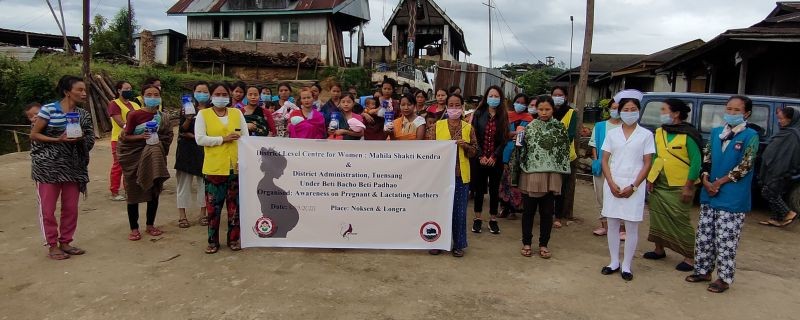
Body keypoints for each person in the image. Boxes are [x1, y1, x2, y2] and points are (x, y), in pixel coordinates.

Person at [686, 95, 759, 293]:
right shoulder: (717, 132)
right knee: (704, 236)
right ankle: (702, 270)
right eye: (729, 109)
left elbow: (745, 165)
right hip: (710, 193)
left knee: (726, 240)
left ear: (747, 113)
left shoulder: (750, 136)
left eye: (737, 110)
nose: (731, 113)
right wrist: (706, 178)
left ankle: (724, 278)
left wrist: (719, 182)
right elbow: (707, 157)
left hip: (732, 195)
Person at [30, 75, 94, 260]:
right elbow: (34, 135)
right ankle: (52, 245)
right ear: (67, 92)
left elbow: (90, 139)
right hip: (47, 167)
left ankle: (65, 242)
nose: (83, 93)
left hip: (73, 167)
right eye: (79, 90)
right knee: (48, 209)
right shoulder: (49, 110)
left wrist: (81, 138)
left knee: (70, 208)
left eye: (84, 90)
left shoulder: (83, 115)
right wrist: (58, 139)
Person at [599, 90, 654, 281]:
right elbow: (604, 159)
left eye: (633, 109)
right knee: (612, 224)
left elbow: (647, 162)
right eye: (626, 109)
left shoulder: (646, 135)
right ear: (620, 111)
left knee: (631, 226)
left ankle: (627, 265)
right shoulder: (612, 134)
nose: (629, 112)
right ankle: (614, 261)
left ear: (639, 111)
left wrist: (634, 186)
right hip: (613, 183)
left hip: (634, 185)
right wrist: (611, 182)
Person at [644, 98, 703, 272]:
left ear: (676, 113)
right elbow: (656, 157)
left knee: (680, 220)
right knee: (657, 216)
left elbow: (696, 162)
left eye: (664, 110)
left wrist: (689, 186)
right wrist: (651, 178)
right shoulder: (660, 132)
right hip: (660, 183)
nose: (661, 113)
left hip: (680, 184)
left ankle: (690, 257)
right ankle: (659, 249)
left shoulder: (689, 134)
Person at [509, 95, 570, 258]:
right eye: (541, 109)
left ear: (553, 109)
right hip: (531, 175)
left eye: (547, 109)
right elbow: (520, 150)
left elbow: (563, 151)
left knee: (547, 212)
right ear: (536, 109)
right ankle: (526, 243)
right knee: (528, 211)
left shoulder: (559, 128)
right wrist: (518, 139)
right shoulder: (528, 127)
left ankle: (544, 244)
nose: (543, 112)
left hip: (551, 176)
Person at [195, 83, 250, 254]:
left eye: (224, 93)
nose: (221, 97)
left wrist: (243, 157)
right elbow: (200, 139)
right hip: (214, 169)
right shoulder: (203, 115)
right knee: (214, 208)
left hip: (235, 167)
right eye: (217, 94)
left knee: (235, 208)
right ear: (211, 96)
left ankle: (233, 239)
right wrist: (223, 139)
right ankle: (213, 242)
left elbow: (246, 137)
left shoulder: (237, 113)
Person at [118, 85, 173, 241]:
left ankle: (150, 225)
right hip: (134, 157)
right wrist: (142, 137)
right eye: (149, 94)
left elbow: (167, 137)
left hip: (154, 157)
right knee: (133, 192)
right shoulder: (134, 115)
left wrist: (158, 146)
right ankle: (134, 228)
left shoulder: (163, 117)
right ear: (142, 97)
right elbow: (125, 137)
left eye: (156, 94)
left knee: (153, 191)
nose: (153, 97)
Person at [432, 94, 479, 257]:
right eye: (451, 105)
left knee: (459, 212)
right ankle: (436, 241)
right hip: (440, 176)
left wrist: (465, 146)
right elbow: (428, 148)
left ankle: (458, 244)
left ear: (462, 107)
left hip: (460, 176)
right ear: (446, 107)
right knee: (438, 210)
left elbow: (474, 152)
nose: (454, 108)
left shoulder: (468, 128)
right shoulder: (437, 126)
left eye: (457, 105)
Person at [470, 86, 509, 234]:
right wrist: (480, 155)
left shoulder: (503, 115)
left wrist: (494, 156)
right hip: (479, 159)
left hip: (495, 161)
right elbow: (473, 136)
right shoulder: (479, 113)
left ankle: (493, 219)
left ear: (501, 98)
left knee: (494, 190)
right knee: (479, 189)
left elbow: (504, 138)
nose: (493, 98)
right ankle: (477, 218)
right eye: (491, 95)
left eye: (496, 96)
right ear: (486, 97)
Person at [175, 81, 209, 229]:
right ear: (194, 93)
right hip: (186, 151)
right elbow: (182, 131)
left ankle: (203, 213)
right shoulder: (187, 109)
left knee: (204, 184)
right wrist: (189, 118)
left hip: (205, 151)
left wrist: (196, 136)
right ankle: (182, 215)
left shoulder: (211, 110)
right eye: (199, 91)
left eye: (205, 91)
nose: (202, 94)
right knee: (183, 184)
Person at [758, 107, 800, 227]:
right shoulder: (786, 131)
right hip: (774, 168)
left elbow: (788, 156)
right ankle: (776, 218)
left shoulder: (792, 135)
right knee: (773, 191)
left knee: (769, 192)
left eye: (782, 119)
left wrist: (778, 170)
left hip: (779, 170)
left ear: (791, 119)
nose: (779, 121)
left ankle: (789, 213)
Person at [589, 99, 622, 236]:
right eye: (613, 108)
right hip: (602, 166)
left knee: (619, 195)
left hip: (620, 167)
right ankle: (604, 225)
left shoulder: (626, 127)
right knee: (601, 196)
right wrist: (597, 160)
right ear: (608, 109)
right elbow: (594, 144)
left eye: (618, 108)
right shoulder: (601, 126)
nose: (615, 111)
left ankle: (621, 228)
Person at [499, 93, 533, 220]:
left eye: (523, 103)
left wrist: (518, 135)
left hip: (521, 154)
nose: (520, 104)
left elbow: (529, 135)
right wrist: (515, 133)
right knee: (503, 181)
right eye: (518, 101)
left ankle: (514, 209)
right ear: (514, 102)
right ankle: (504, 208)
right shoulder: (507, 116)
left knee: (516, 182)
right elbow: (502, 133)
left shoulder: (530, 119)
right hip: (506, 153)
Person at [107, 81, 140, 201]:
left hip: (134, 138)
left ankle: (129, 189)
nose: (129, 91)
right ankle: (114, 191)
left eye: (130, 88)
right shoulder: (114, 104)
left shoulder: (134, 104)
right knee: (119, 165)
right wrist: (133, 128)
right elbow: (120, 122)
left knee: (132, 165)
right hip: (119, 138)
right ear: (119, 91)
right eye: (126, 89)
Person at [552, 86, 578, 228]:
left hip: (565, 156)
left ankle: (558, 216)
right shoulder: (548, 111)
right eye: (554, 94)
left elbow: (571, 134)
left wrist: (553, 144)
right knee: (549, 186)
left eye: (560, 95)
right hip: (548, 157)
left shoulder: (571, 113)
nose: (557, 97)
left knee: (561, 187)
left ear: (566, 97)